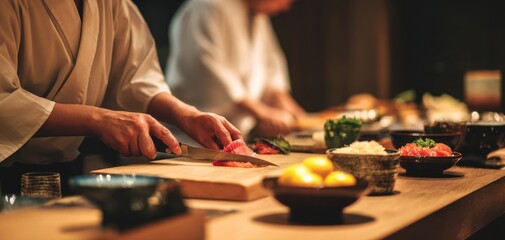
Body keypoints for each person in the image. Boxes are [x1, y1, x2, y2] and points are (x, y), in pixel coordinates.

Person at [0, 0, 241, 195]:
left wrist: (186, 114)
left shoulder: (114, 5)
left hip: (69, 172)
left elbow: (136, 80)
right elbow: (5, 102)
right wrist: (99, 120)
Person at [166, 0, 306, 139]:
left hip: (237, 135)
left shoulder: (259, 17)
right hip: (193, 138)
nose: (286, 6)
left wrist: (299, 116)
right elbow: (207, 68)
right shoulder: (206, 6)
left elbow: (270, 71)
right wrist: (262, 112)